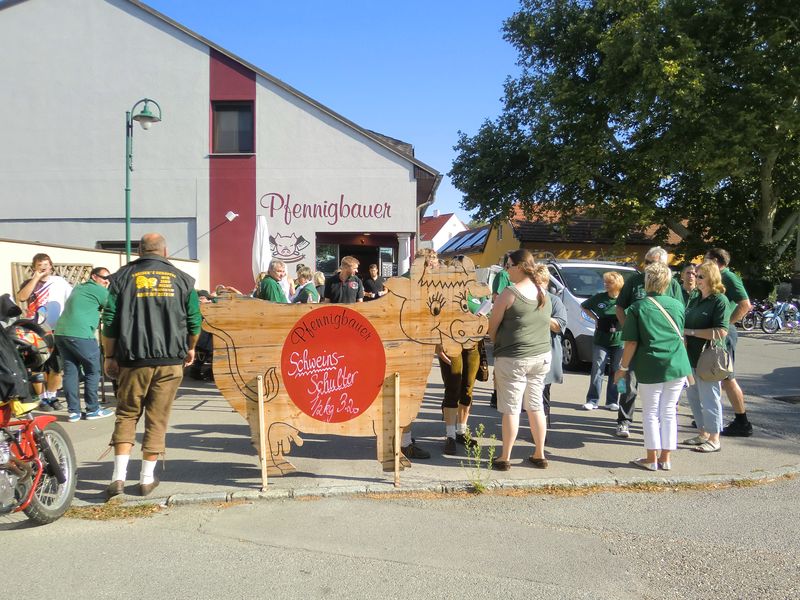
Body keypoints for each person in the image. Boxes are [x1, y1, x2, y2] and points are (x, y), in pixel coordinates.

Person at [102, 233, 201, 499]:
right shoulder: (183, 279)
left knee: (126, 414)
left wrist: (109, 355)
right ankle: (146, 479)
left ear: (139, 251)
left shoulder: (122, 277)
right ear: (165, 251)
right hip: (170, 361)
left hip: (132, 359)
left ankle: (118, 477)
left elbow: (109, 321)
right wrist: (191, 347)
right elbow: (194, 321)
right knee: (157, 418)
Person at [613, 262, 692, 471]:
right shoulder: (677, 305)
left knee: (650, 413)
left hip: (650, 364)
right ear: (667, 282)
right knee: (669, 412)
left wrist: (622, 368)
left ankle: (651, 458)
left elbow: (631, 342)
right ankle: (666, 458)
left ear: (647, 281)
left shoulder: (638, 307)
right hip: (677, 363)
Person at [488, 249, 552, 470]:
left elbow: (492, 326)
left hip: (513, 358)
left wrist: (497, 342)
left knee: (511, 408)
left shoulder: (510, 293)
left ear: (519, 267)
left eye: (508, 265)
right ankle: (539, 454)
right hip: (541, 356)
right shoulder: (543, 291)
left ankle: (504, 457)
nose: (506, 270)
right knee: (536, 406)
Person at [54, 267, 115, 422]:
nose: (107, 282)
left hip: (61, 333)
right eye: (104, 278)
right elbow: (113, 307)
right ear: (94, 276)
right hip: (81, 334)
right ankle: (93, 409)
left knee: (70, 372)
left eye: (109, 279)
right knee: (93, 371)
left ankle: (74, 412)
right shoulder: (99, 290)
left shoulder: (79, 287)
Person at [682, 261, 730, 453]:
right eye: (695, 275)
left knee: (710, 398)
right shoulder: (695, 298)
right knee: (694, 397)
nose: (696, 278)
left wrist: (690, 332)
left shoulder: (719, 300)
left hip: (708, 359)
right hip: (690, 357)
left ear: (711, 278)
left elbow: (721, 331)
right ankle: (702, 433)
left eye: (700, 276)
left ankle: (714, 438)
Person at [704, 248, 753, 437]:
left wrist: (726, 324)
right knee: (714, 375)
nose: (703, 262)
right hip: (715, 332)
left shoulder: (729, 277)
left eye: (707, 259)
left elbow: (745, 304)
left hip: (724, 334)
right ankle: (712, 417)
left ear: (717, 261)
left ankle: (742, 422)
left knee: (727, 377)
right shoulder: (715, 276)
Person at [437, 258, 484, 455]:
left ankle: (461, 432)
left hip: (472, 345)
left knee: (467, 389)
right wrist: (438, 346)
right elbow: (434, 319)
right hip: (451, 344)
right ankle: (449, 435)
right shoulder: (443, 290)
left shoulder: (474, 292)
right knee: (452, 388)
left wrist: (483, 318)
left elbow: (482, 315)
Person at [16, 252, 73, 410]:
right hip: (35, 330)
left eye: (46, 266)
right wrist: (35, 279)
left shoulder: (59, 282)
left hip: (55, 330)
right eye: (39, 266)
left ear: (51, 266)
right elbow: (21, 298)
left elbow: (72, 299)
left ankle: (52, 396)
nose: (43, 269)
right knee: (37, 366)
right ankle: (41, 398)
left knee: (56, 367)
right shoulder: (29, 283)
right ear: (34, 268)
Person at [581, 271, 625, 411]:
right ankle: (592, 400)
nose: (606, 284)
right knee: (597, 368)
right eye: (605, 282)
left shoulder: (624, 299)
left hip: (619, 341)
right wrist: (595, 318)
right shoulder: (599, 297)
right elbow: (584, 306)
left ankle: (612, 401)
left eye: (609, 282)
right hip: (601, 340)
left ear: (617, 284)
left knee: (616, 370)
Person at [533, 264, 566, 428]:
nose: (536, 287)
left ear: (546, 283)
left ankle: (542, 429)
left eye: (539, 283)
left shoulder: (554, 301)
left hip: (547, 353)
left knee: (543, 394)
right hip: (525, 353)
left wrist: (542, 315)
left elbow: (559, 325)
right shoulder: (525, 298)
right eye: (533, 283)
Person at [489, 253, 512, 408]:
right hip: (504, 322)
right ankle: (496, 394)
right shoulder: (503, 274)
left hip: (511, 323)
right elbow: (497, 297)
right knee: (501, 361)